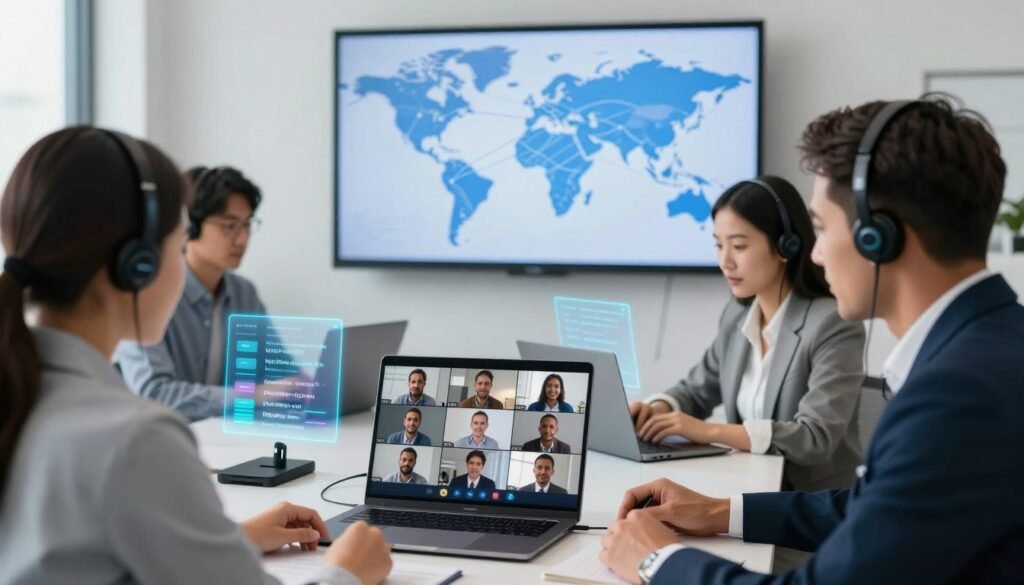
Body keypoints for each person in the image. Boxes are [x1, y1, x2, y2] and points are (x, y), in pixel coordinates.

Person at [602, 96, 1024, 584]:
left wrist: (656, 561)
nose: (816, 253)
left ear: (879, 236)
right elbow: (867, 508)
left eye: (821, 227)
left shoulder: (958, 394)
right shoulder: (985, 349)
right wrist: (718, 511)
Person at [0, 127, 391, 584]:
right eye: (179, 238)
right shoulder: (136, 440)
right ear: (138, 264)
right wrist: (348, 572)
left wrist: (225, 540)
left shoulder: (24, 396)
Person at [630, 175, 866, 491]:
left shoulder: (832, 323)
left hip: (812, 504)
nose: (725, 262)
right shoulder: (737, 316)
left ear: (786, 246)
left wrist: (709, 432)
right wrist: (657, 409)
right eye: (718, 245)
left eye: (739, 246)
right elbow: (697, 390)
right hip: (749, 488)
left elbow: (815, 437)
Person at [115, 165, 268, 421]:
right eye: (229, 226)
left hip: (222, 437)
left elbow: (273, 375)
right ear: (191, 227)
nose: (242, 239)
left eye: (247, 225)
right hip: (158, 435)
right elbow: (155, 393)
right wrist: (251, 396)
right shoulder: (149, 293)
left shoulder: (245, 294)